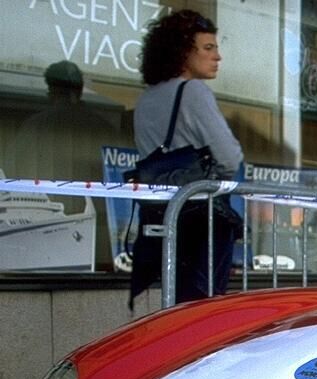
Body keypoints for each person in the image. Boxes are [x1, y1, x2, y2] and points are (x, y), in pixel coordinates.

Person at [131, 9, 243, 304]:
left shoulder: (146, 99)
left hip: (161, 214)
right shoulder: (193, 91)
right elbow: (229, 158)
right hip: (201, 217)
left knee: (174, 306)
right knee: (202, 307)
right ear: (183, 52)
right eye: (208, 47)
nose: (217, 56)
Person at [11, 61, 120, 270]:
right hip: (95, 233)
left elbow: (14, 172)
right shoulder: (103, 127)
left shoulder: (34, 126)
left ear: (51, 90)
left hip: (46, 229)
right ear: (80, 90)